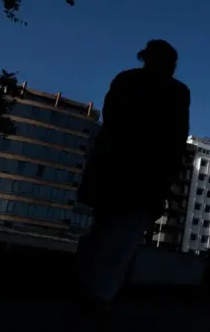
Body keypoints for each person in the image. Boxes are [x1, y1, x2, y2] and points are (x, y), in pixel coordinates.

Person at [75, 39, 191, 311]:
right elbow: (176, 137)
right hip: (144, 174)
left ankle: (90, 288)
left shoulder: (126, 81)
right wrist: (168, 175)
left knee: (104, 230)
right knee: (122, 237)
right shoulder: (175, 91)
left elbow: (112, 120)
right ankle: (100, 294)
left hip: (114, 169)